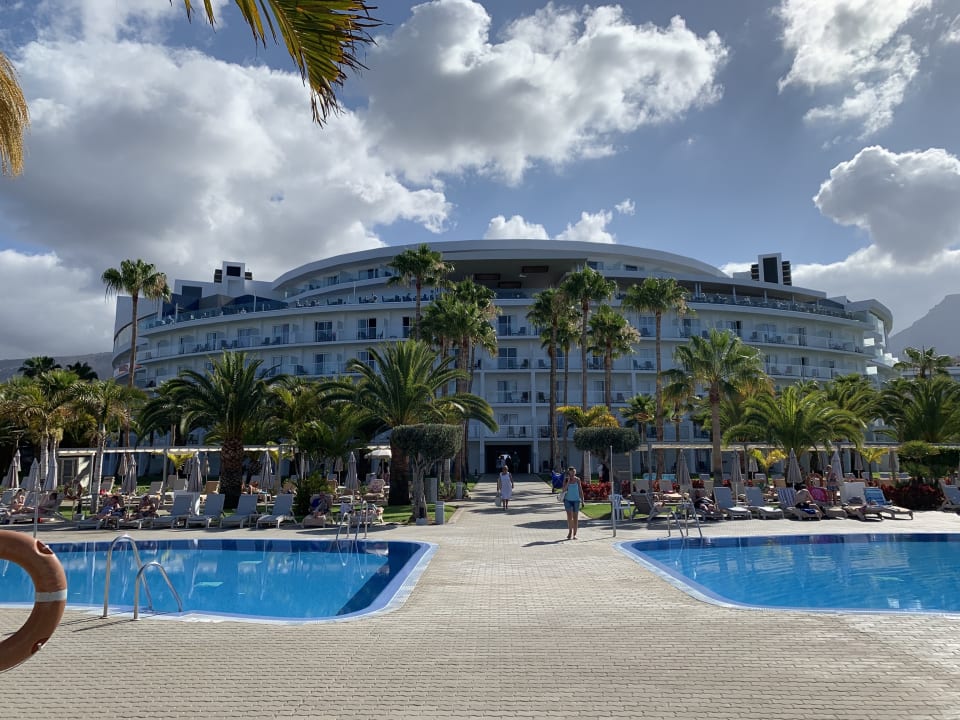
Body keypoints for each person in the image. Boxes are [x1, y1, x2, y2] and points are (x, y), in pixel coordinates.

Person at [561, 466, 584, 540]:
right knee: (569, 517)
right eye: (571, 472)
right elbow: (563, 490)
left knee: (575, 517)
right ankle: (570, 531)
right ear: (569, 473)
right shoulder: (566, 479)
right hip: (567, 500)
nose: (573, 474)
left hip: (576, 500)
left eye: (574, 472)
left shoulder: (578, 480)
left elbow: (580, 490)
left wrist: (583, 500)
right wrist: (568, 482)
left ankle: (575, 534)